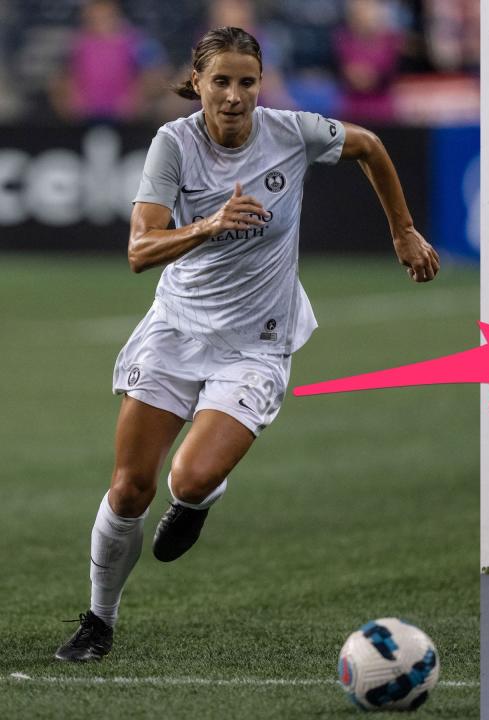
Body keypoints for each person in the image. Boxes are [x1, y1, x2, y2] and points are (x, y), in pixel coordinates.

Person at [55, 26, 439, 662]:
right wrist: (208, 223)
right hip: (177, 327)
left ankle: (201, 496)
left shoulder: (292, 132)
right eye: (222, 82)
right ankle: (99, 619)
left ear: (261, 84)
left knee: (191, 475)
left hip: (256, 342)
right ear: (198, 84)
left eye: (247, 82)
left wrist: (403, 231)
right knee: (129, 490)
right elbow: (138, 250)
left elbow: (370, 145)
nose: (235, 96)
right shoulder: (172, 144)